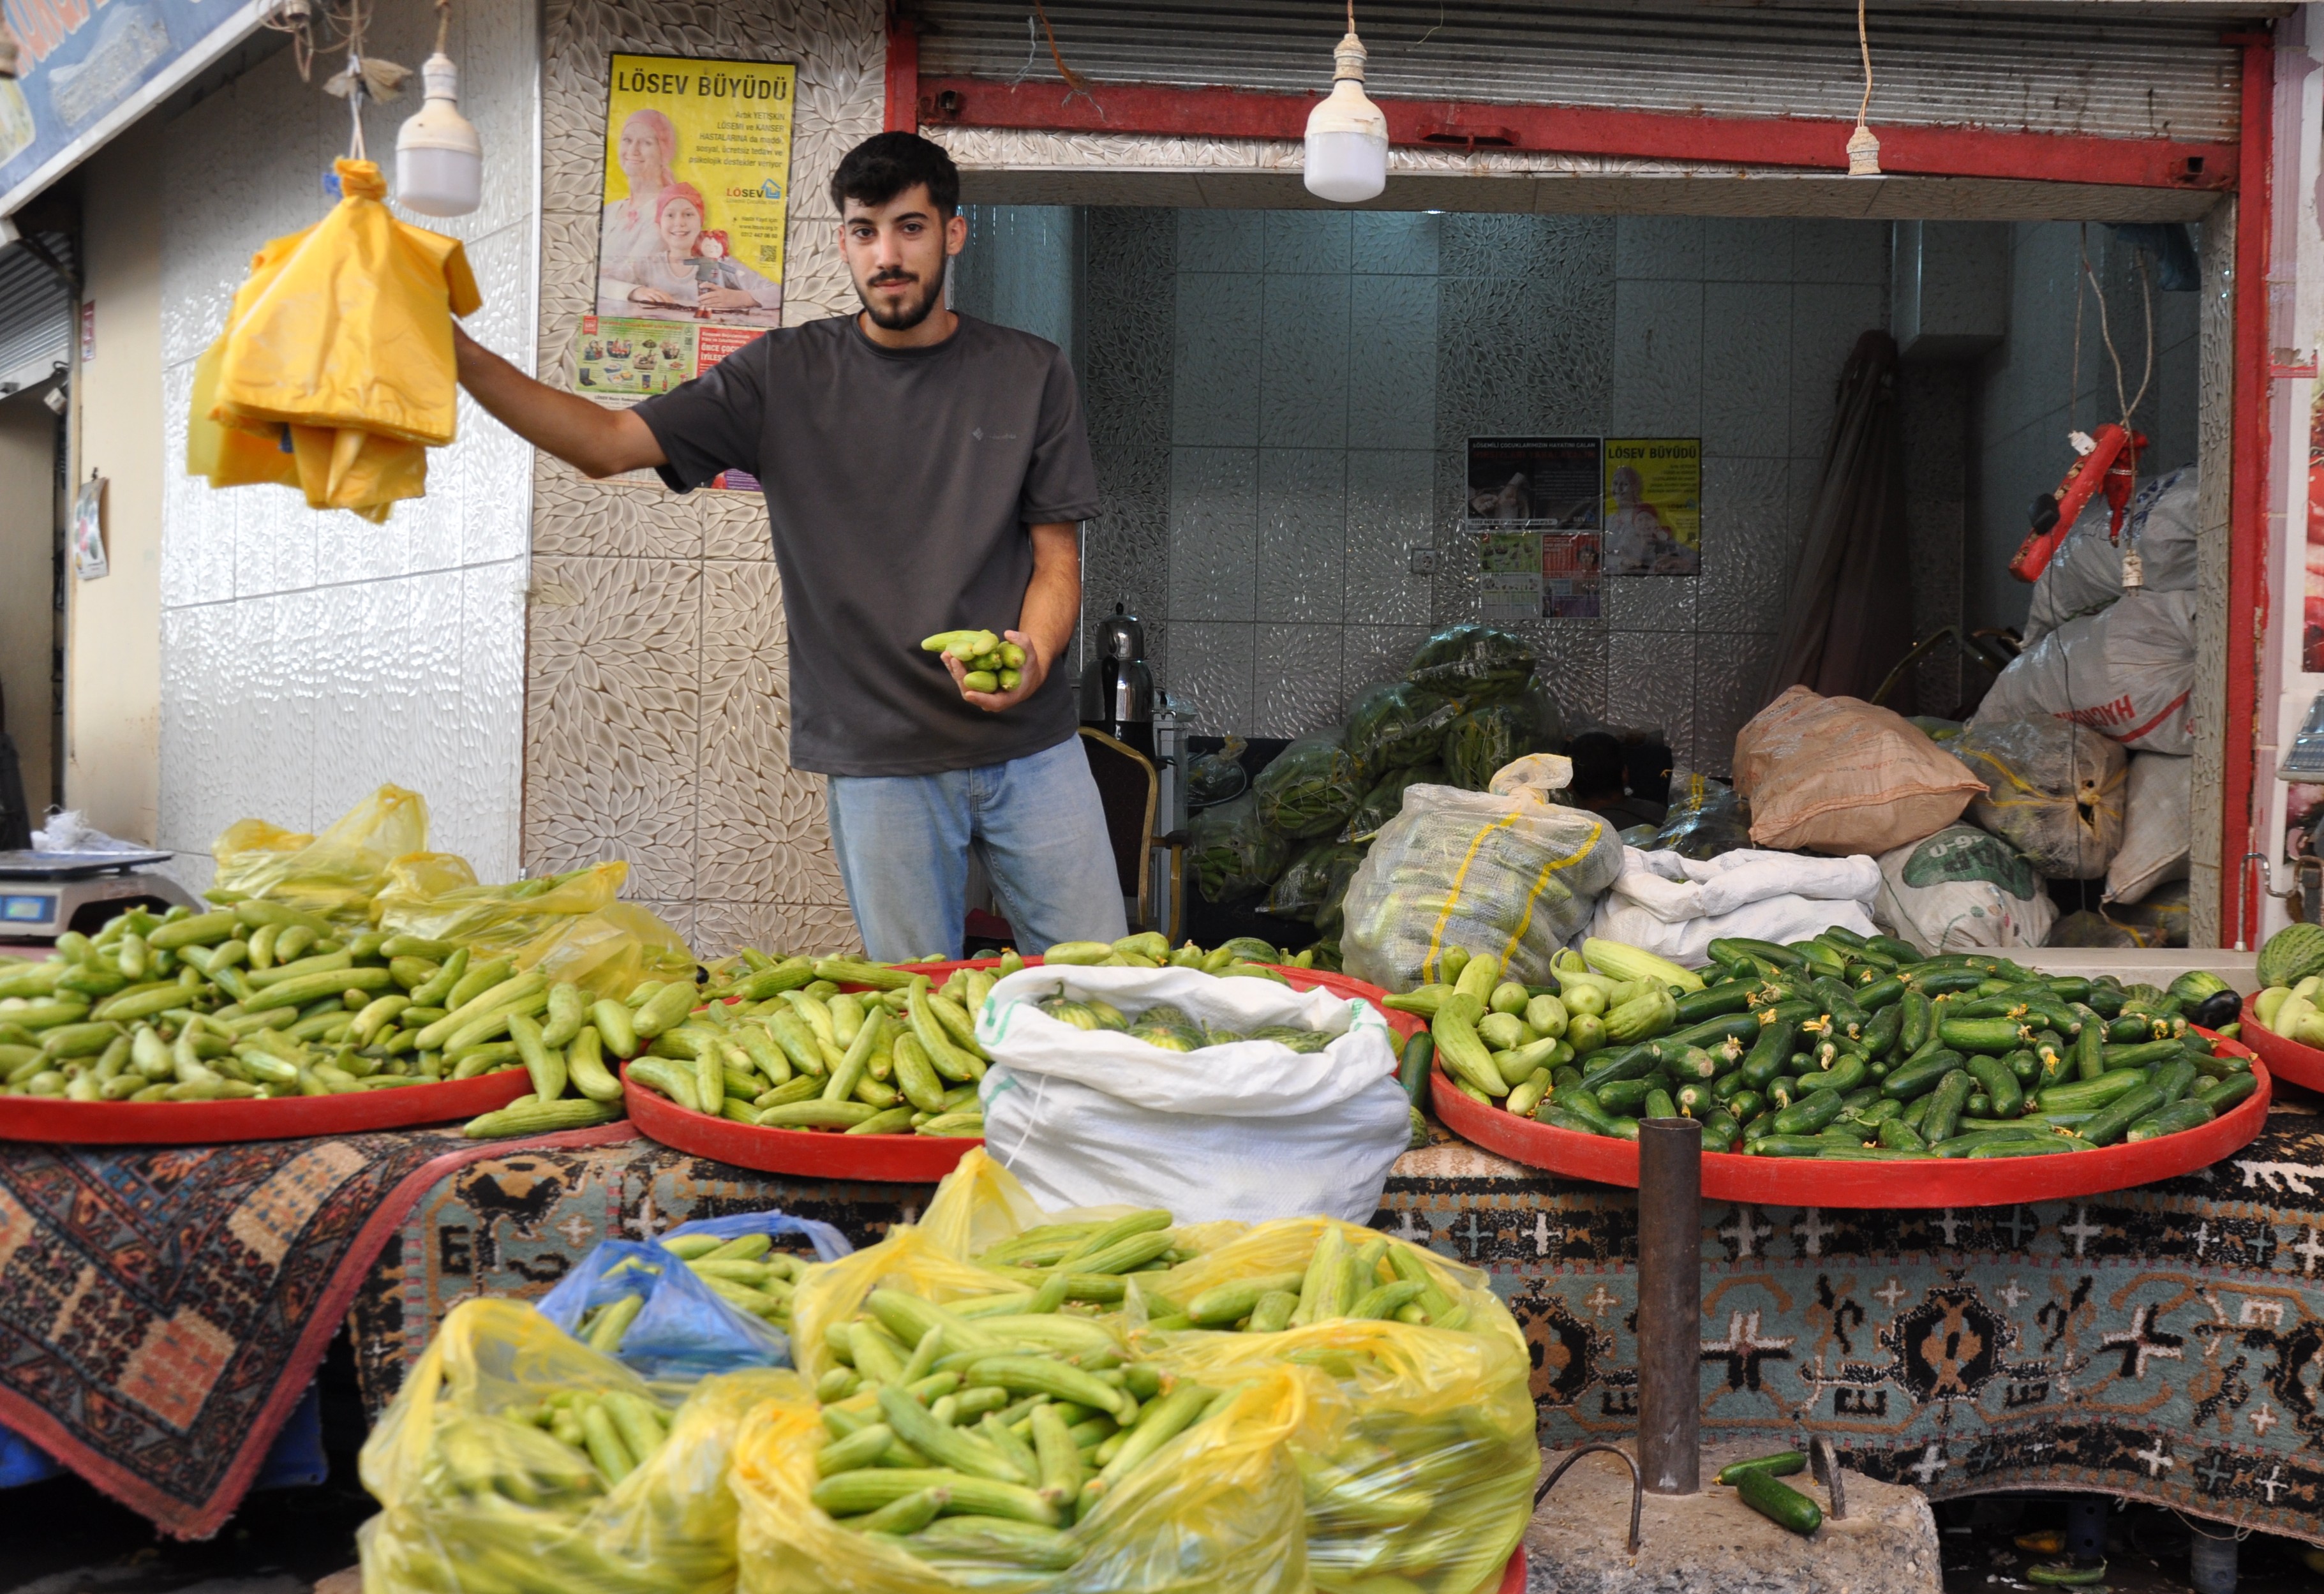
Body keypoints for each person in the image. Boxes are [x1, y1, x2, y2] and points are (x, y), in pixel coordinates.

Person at [455, 131, 1125, 960]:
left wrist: (1035, 654)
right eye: (865, 231)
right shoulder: (781, 375)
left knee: (1108, 980)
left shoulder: (1031, 372)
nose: (887, 255)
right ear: (842, 241)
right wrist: (459, 354)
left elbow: (1057, 561)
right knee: (921, 998)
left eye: (911, 228)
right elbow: (605, 444)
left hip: (1034, 747)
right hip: (879, 756)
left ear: (953, 233)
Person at [609, 182, 782, 319]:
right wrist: (636, 292)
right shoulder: (647, 264)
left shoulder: (720, 263)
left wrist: (740, 298)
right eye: (670, 215)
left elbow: (778, 293)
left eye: (688, 214)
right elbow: (601, 282)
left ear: (701, 221)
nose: (680, 222)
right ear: (659, 224)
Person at [598, 109, 680, 311]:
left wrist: (630, 290)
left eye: (646, 143)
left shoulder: (668, 214)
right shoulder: (609, 211)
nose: (633, 150)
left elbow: (628, 274)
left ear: (664, 152)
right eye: (627, 140)